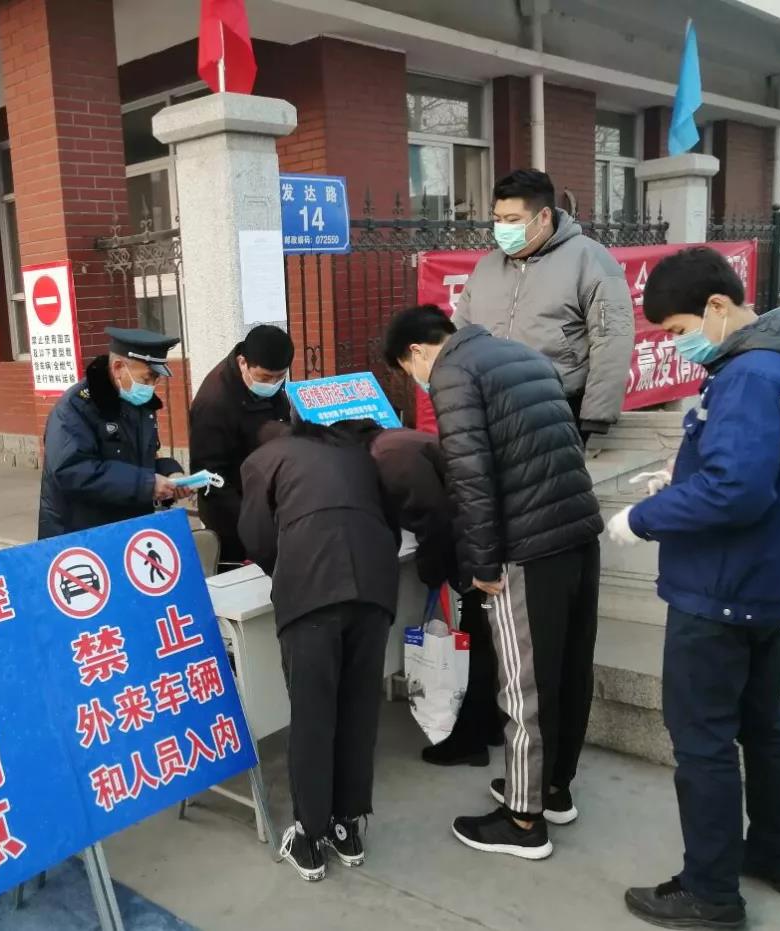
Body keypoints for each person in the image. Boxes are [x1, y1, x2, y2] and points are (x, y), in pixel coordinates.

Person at [607, 248, 780, 929]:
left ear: (717, 306)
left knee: (702, 736)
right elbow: (752, 467)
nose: (679, 346)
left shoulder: (749, 373)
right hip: (767, 580)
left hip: (720, 587)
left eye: (678, 330)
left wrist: (643, 517)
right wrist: (683, 477)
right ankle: (778, 855)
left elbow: (737, 489)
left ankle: (710, 892)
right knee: (765, 721)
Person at [384, 304, 603, 861]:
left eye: (409, 370)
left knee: (525, 687)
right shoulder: (521, 355)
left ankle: (524, 821)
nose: (417, 380)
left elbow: (472, 479)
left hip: (526, 549)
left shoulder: (454, 374)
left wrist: (482, 566)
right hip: (576, 533)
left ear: (416, 352)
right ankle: (553, 790)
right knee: (567, 671)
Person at [238, 419, 400, 882]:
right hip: (373, 590)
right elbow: (389, 526)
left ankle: (309, 835)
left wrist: (291, 566)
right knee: (358, 708)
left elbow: (256, 536)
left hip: (312, 594)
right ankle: (347, 827)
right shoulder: (354, 454)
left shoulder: (262, 460)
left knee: (313, 716)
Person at [325, 418, 503, 765]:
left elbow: (433, 517)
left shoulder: (388, 456)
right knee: (479, 636)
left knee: (473, 640)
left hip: (475, 538)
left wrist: (432, 573)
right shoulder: (394, 442)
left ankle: (470, 741)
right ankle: (488, 727)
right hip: (479, 528)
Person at [453, 168, 634, 444]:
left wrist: (595, 416)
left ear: (544, 217)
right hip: (489, 407)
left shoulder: (590, 260)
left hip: (558, 408)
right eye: (498, 219)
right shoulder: (487, 267)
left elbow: (612, 339)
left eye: (513, 220)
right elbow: (461, 331)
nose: (503, 228)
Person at [38, 327, 190, 539]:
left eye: (156, 380)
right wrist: (146, 484)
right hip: (81, 535)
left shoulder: (139, 404)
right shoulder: (76, 407)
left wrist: (171, 474)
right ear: (118, 367)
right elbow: (71, 471)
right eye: (146, 379)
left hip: (127, 528)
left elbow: (140, 459)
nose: (151, 387)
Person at [189, 325, 294, 564]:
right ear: (243, 362)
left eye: (280, 377)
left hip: (268, 503)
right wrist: (252, 523)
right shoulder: (214, 402)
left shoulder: (271, 385)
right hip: (232, 513)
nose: (273, 384)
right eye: (265, 378)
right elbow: (210, 475)